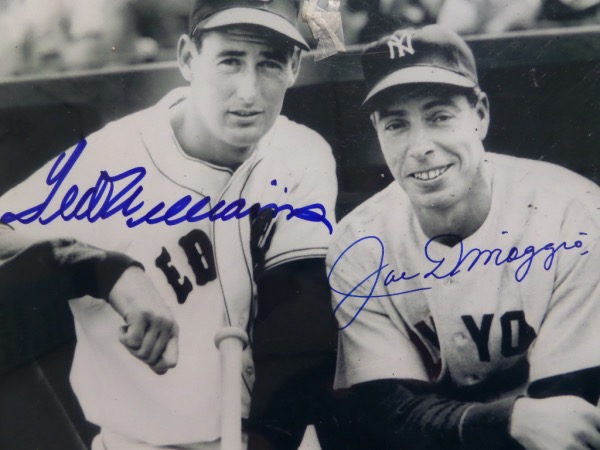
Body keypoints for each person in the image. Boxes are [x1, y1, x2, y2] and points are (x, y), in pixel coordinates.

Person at [0, 0, 338, 449]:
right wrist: (101, 268)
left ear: (295, 67)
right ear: (186, 58)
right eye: (230, 61)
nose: (248, 92)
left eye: (269, 63)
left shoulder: (301, 153)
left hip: (275, 439)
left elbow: (301, 322)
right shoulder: (111, 160)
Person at [326, 25, 600, 450]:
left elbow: (565, 413)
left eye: (439, 117)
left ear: (481, 114)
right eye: (397, 125)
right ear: (377, 131)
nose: (420, 147)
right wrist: (506, 419)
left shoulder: (573, 212)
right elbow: (390, 412)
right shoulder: (358, 243)